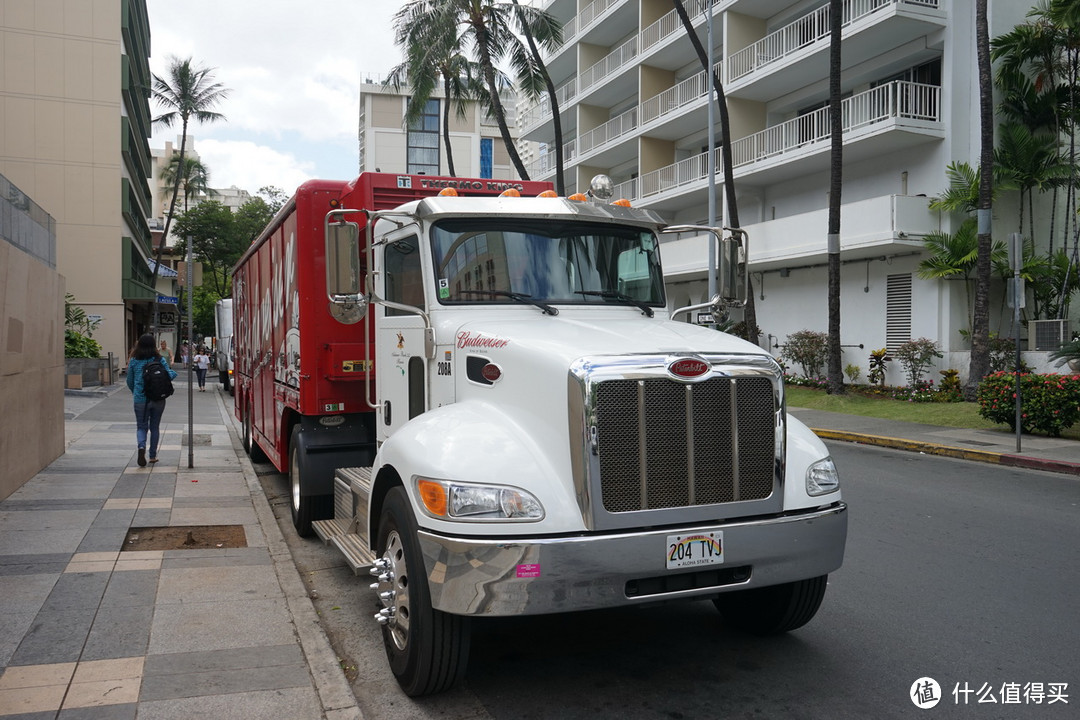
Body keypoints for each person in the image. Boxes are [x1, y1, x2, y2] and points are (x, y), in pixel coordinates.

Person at [126, 333, 177, 467]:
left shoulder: (134, 360)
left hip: (140, 399)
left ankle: (141, 447)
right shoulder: (159, 359)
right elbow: (170, 375)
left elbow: (129, 380)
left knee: (141, 426)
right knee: (155, 427)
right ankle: (152, 456)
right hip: (158, 398)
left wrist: (135, 392)